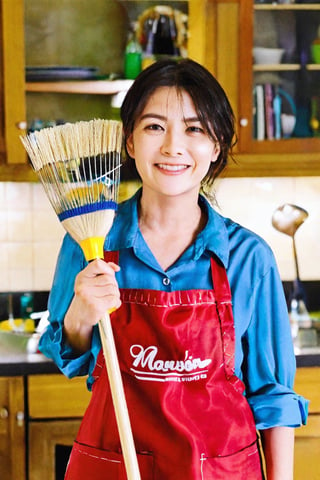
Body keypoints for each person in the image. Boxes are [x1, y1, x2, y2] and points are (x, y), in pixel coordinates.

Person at [39, 58, 308, 480]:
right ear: (129, 141)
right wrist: (80, 314)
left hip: (222, 471)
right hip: (115, 466)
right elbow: (67, 356)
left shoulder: (248, 257)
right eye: (154, 127)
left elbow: (273, 398)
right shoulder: (90, 241)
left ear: (216, 145)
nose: (172, 147)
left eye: (194, 128)